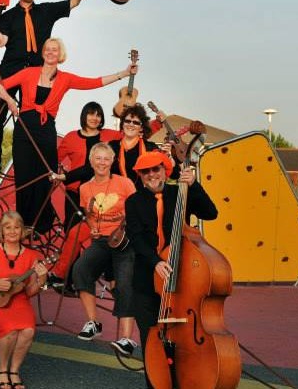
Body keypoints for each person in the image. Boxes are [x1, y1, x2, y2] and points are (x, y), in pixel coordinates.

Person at [0, 38, 137, 234]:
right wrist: (10, 101)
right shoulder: (29, 72)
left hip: (46, 129)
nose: (50, 52)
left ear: (60, 55)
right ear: (43, 53)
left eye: (55, 50)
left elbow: (94, 82)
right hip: (25, 127)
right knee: (24, 175)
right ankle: (23, 223)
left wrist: (124, 73)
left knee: (46, 174)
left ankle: (40, 224)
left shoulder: (65, 78)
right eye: (47, 49)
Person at [0, 0, 92, 173]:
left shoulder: (45, 11)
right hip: (11, 69)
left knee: (33, 119)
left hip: (37, 73)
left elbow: (73, 2)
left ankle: (34, 164)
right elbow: (1, 41)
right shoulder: (9, 16)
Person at [127, 151, 218, 365]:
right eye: (145, 171)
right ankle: (155, 380)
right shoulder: (133, 201)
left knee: (184, 336)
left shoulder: (181, 193)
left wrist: (193, 185)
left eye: (155, 169)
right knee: (151, 338)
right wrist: (156, 262)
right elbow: (136, 238)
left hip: (180, 277)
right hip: (147, 278)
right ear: (140, 175)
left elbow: (210, 213)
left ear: (165, 170)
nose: (151, 174)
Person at [68, 143, 139, 355]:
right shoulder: (85, 188)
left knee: (125, 283)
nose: (102, 163)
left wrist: (127, 225)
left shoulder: (125, 183)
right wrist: (93, 228)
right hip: (101, 241)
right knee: (80, 269)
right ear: (91, 161)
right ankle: (93, 323)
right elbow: (89, 215)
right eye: (98, 158)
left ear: (112, 161)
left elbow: (137, 209)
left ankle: (127, 339)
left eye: (106, 159)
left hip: (125, 240)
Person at [0, 211, 48, 389]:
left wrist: (42, 279)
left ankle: (14, 371)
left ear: (22, 231)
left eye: (16, 227)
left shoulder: (32, 256)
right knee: (10, 330)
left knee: (28, 331)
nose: (12, 231)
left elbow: (30, 291)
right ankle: (2, 369)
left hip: (20, 301)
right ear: (1, 231)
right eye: (8, 227)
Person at [59, 102, 163, 229]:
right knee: (74, 230)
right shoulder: (108, 144)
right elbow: (87, 165)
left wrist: (158, 124)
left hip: (125, 199)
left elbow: (136, 132)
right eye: (91, 114)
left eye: (98, 115)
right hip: (81, 190)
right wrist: (63, 176)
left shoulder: (112, 136)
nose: (94, 118)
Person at [108, 104, 175, 187]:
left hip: (143, 193)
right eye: (127, 121)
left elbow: (174, 175)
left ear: (141, 128)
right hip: (115, 193)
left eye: (136, 122)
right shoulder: (111, 146)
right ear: (122, 124)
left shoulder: (150, 148)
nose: (131, 124)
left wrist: (168, 157)